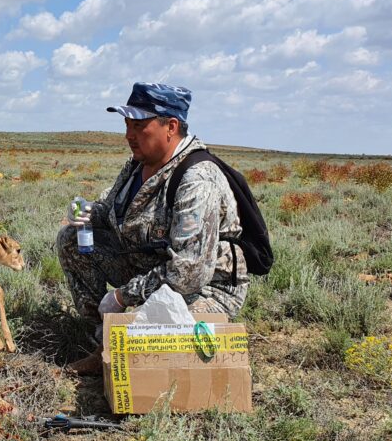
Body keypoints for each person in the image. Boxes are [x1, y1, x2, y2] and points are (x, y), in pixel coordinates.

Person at [56, 82, 248, 375]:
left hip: (204, 289)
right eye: (126, 124)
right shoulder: (138, 164)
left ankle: (111, 347)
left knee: (156, 344)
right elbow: (110, 211)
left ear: (170, 126)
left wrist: (122, 296)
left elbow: (188, 273)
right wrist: (87, 212)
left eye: (139, 125)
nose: (128, 135)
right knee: (72, 238)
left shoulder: (197, 180)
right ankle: (102, 332)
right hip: (146, 268)